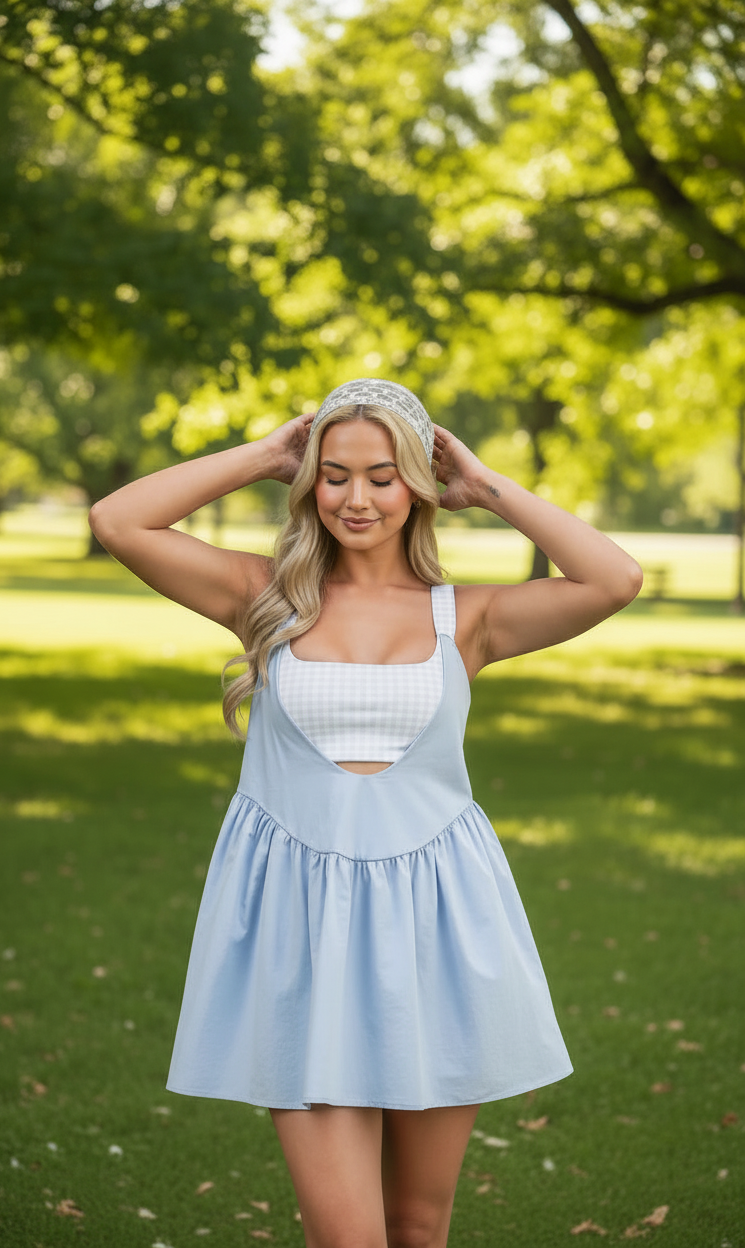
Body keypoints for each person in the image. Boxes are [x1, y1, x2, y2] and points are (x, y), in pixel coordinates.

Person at [89, 378, 643, 1248]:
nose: (356, 499)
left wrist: (486, 482)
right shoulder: (261, 596)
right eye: (334, 475)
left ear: (419, 484)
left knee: (419, 1228)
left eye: (384, 477)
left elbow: (616, 577)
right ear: (309, 482)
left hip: (441, 930)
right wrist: (265, 455)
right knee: (349, 1237)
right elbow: (118, 522)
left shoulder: (471, 617)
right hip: (299, 932)